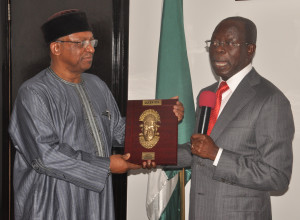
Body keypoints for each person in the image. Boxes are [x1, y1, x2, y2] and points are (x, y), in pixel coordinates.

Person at [8, 9, 183, 220]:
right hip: (52, 199)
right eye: (80, 43)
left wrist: (162, 122)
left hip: (96, 197)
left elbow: (119, 130)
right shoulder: (34, 92)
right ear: (56, 47)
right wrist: (107, 165)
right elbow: (46, 156)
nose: (90, 49)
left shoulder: (97, 85)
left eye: (92, 42)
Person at [178, 16, 294, 219]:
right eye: (214, 43)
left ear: (250, 49)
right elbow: (198, 150)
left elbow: (277, 176)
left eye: (229, 43)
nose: (219, 49)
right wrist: (152, 153)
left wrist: (217, 155)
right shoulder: (207, 95)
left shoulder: (270, 99)